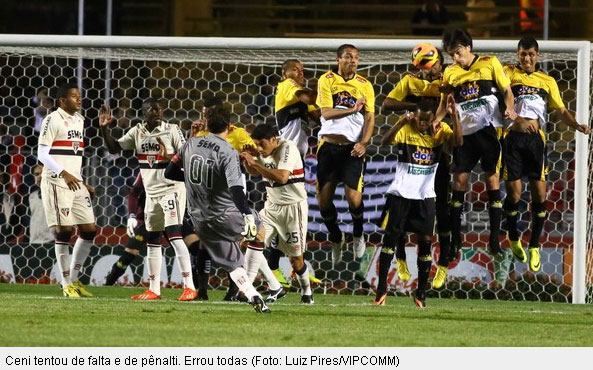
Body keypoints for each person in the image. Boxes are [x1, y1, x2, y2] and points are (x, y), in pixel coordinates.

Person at [165, 105, 271, 313]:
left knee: (232, 262)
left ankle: (252, 295)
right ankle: (264, 285)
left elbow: (170, 172)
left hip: (200, 221)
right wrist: (247, 215)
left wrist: (193, 182)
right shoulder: (227, 151)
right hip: (226, 215)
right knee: (261, 229)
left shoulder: (190, 144)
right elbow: (236, 189)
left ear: (206, 123)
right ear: (229, 125)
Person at [503, 36, 591, 271]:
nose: (527, 58)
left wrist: (577, 125)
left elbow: (561, 111)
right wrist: (519, 121)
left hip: (536, 141)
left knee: (539, 196)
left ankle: (534, 246)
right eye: (523, 54)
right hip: (512, 137)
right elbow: (501, 103)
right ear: (517, 54)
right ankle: (513, 237)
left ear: (538, 56)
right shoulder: (508, 74)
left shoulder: (548, 81)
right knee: (514, 195)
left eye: (531, 54)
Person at [99, 98, 196, 301]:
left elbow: (188, 155)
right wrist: (105, 130)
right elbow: (115, 148)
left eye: (160, 108)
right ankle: (154, 289)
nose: (158, 111)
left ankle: (190, 287)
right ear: (144, 112)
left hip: (172, 189)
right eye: (152, 109)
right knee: (153, 240)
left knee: (174, 235)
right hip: (151, 194)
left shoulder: (172, 129)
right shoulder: (137, 131)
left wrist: (168, 155)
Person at [188, 96, 284, 302]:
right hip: (206, 194)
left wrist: (249, 154)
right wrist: (192, 135)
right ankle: (202, 290)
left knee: (237, 242)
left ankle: (235, 290)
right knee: (206, 243)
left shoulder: (238, 133)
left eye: (209, 113)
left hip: (231, 193)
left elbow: (257, 156)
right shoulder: (201, 134)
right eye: (204, 112)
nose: (205, 116)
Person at [432, 29, 517, 259]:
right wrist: (437, 120)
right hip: (464, 135)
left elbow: (507, 91)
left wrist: (510, 108)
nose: (456, 59)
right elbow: (443, 102)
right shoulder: (450, 72)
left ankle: (494, 241)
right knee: (459, 182)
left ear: (468, 47)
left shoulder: (490, 63)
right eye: (451, 55)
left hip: (488, 131)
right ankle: (456, 241)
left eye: (458, 53)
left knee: (492, 180)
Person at [375, 98, 463, 307]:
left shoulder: (440, 132)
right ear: (414, 115)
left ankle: (421, 294)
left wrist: (455, 116)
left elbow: (458, 143)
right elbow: (384, 142)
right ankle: (381, 291)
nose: (422, 123)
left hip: (425, 196)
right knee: (390, 239)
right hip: (401, 194)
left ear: (433, 118)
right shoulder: (406, 129)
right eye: (419, 119)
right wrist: (399, 123)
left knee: (425, 241)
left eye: (426, 120)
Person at [315, 44, 376, 264]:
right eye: (349, 57)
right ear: (338, 59)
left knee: (353, 198)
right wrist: (352, 109)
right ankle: (336, 236)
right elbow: (326, 113)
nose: (353, 61)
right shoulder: (326, 80)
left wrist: (364, 143)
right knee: (323, 202)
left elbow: (370, 118)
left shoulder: (365, 85)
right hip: (328, 147)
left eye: (357, 58)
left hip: (352, 148)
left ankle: (358, 234)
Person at [241, 123, 314, 304]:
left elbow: (282, 177)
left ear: (274, 139)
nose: (259, 148)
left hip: (293, 209)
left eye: (262, 144)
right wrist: (249, 160)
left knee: (296, 261)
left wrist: (255, 162)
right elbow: (254, 172)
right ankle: (252, 288)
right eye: (256, 144)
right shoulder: (263, 152)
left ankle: (307, 291)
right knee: (250, 240)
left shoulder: (288, 147)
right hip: (271, 207)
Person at [37, 82, 97, 298]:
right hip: (57, 181)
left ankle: (74, 278)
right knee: (64, 231)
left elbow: (72, 155)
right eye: (73, 96)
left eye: (79, 95)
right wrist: (64, 173)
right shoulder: (52, 119)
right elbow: (42, 155)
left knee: (89, 230)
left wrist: (82, 181)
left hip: (75, 182)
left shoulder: (80, 120)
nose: (79, 99)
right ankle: (65, 283)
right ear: (63, 100)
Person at [271, 59, 321, 286]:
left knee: (293, 219)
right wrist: (328, 84)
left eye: (302, 69)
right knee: (286, 217)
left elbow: (317, 114)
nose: (300, 73)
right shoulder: (287, 87)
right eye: (295, 69)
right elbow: (311, 98)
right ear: (284, 74)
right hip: (285, 159)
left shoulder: (297, 96)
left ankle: (296, 268)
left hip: (295, 160)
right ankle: (274, 268)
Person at [104, 173, 146, 286]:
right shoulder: (147, 170)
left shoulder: (178, 170)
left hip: (171, 217)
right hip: (147, 219)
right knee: (128, 256)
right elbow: (133, 194)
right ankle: (109, 283)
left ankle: (195, 287)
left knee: (193, 246)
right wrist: (132, 216)